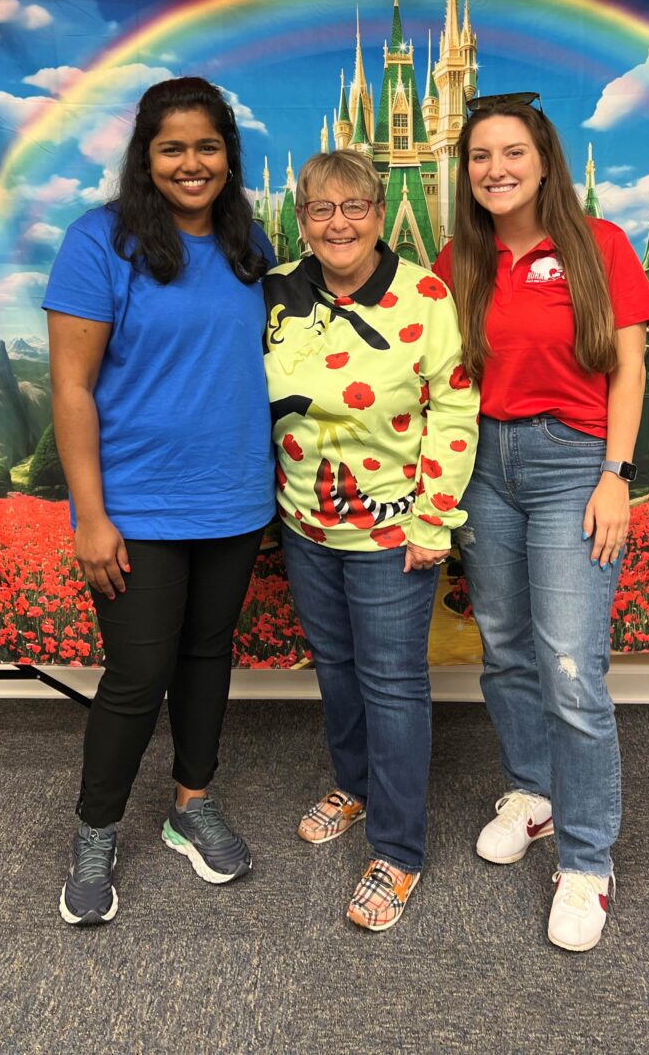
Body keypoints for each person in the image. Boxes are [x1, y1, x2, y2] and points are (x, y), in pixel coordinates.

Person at [43, 76, 275, 926]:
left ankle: (191, 804)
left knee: (207, 657)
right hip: (136, 505)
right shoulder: (98, 241)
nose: (191, 163)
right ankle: (96, 831)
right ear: (146, 154)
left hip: (235, 498)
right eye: (172, 147)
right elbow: (72, 388)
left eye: (207, 147)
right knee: (138, 674)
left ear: (228, 155)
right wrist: (91, 515)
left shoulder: (246, 239)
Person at [434, 93, 649, 953]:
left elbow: (630, 366)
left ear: (543, 159)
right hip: (483, 462)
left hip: (573, 460)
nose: (496, 168)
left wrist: (616, 475)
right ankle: (533, 793)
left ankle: (588, 856)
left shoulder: (597, 245)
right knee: (506, 643)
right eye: (480, 155)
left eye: (512, 152)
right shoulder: (462, 257)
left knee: (570, 661)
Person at [264, 149, 480, 931]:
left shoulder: (424, 294)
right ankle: (353, 786)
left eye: (354, 206)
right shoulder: (278, 291)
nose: (338, 222)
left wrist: (434, 522)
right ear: (301, 217)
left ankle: (399, 848)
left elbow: (454, 411)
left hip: (395, 532)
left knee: (392, 683)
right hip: (305, 523)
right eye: (321, 208)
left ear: (380, 213)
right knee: (338, 666)